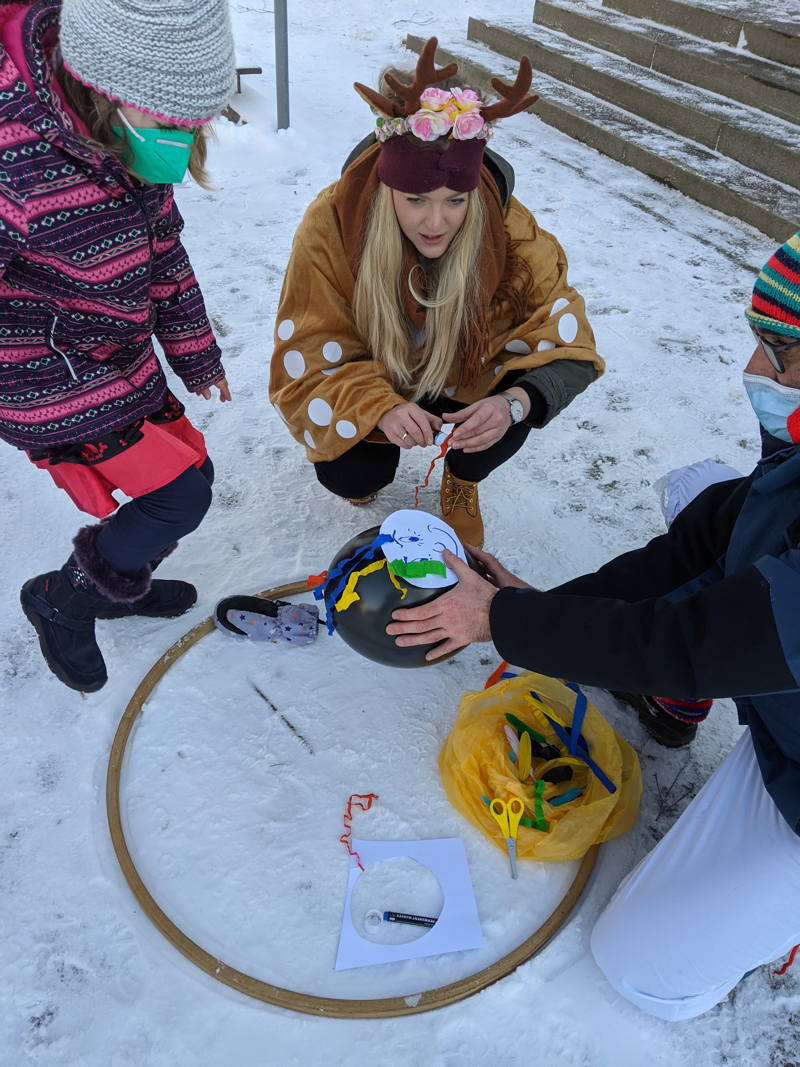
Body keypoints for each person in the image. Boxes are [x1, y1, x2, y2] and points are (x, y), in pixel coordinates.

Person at [387, 231, 800, 1021]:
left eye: (780, 353)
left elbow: (690, 644)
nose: (754, 372)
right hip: (784, 717)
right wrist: (537, 608)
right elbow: (694, 548)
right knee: (702, 493)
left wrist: (504, 623)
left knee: (640, 969)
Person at [269, 39, 603, 547]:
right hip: (375, 372)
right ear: (389, 189)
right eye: (415, 198)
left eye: (455, 200)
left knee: (520, 396)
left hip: (466, 376)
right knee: (352, 475)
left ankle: (464, 477)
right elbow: (310, 343)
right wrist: (377, 406)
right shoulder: (332, 221)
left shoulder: (510, 227)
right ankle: (374, 439)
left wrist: (513, 403)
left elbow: (568, 342)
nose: (435, 222)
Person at [0, 0, 235, 692]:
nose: (181, 143)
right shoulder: (16, 161)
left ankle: (111, 582)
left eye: (195, 128)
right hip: (40, 377)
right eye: (170, 124)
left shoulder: (127, 144)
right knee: (177, 500)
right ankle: (63, 600)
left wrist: (197, 354)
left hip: (113, 355)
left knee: (197, 480)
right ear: (108, 91)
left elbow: (165, 253)